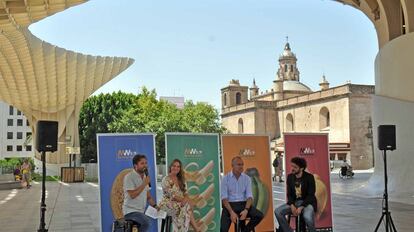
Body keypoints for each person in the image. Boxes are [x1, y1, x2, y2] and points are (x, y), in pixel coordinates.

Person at [220, 156, 264, 232]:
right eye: (239, 164)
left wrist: (246, 210)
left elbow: (249, 197)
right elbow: (224, 198)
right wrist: (231, 212)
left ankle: (245, 231)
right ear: (232, 166)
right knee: (223, 229)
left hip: (243, 204)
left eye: (242, 164)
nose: (241, 167)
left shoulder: (247, 178)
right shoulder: (225, 179)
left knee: (259, 215)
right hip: (230, 205)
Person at [274, 157, 317, 232]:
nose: (292, 168)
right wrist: (292, 205)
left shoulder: (309, 177)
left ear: (302, 168)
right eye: (292, 166)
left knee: (307, 217)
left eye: (295, 167)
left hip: (307, 203)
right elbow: (289, 194)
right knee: (278, 211)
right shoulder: (290, 177)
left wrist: (301, 207)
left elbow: (311, 195)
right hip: (295, 202)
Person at [158, 159, 201, 232]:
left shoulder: (182, 179)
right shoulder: (165, 179)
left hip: (180, 203)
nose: (176, 168)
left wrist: (186, 200)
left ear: (180, 168)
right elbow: (172, 195)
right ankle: (196, 229)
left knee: (186, 207)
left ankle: (194, 229)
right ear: (170, 167)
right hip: (167, 203)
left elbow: (186, 193)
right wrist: (186, 201)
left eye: (178, 166)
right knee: (186, 207)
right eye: (174, 166)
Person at [123, 154, 157, 232]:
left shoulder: (145, 177)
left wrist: (156, 206)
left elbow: (148, 197)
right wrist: (144, 183)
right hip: (130, 211)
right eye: (142, 163)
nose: (145, 165)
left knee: (146, 221)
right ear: (135, 165)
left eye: (146, 163)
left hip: (141, 211)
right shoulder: (129, 177)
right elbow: (132, 195)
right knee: (146, 222)